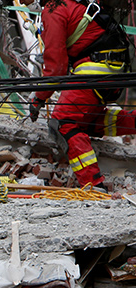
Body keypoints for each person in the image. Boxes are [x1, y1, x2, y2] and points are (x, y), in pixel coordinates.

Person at [29, 0, 134, 189]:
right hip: (112, 68)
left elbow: (56, 68)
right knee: (87, 122)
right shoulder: (68, 4)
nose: (20, 2)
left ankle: (92, 184)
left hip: (95, 69)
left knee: (63, 122)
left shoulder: (54, 10)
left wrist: (39, 97)